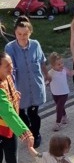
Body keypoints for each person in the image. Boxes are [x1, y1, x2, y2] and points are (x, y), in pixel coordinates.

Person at [5, 16, 49, 148]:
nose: (22, 37)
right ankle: (28, 131)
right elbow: (9, 70)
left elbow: (41, 61)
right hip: (19, 87)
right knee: (20, 113)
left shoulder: (35, 44)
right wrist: (9, 89)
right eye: (19, 34)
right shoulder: (10, 48)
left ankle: (36, 134)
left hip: (35, 86)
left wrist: (47, 74)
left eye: (25, 34)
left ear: (30, 32)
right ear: (15, 33)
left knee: (33, 113)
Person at [0, 51, 34, 163]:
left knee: (12, 161)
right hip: (4, 127)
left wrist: (14, 96)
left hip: (9, 129)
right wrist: (25, 133)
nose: (11, 68)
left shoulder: (7, 77)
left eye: (11, 64)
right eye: (7, 66)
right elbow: (7, 112)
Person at [47, 52, 74, 131]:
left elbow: (71, 74)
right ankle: (65, 117)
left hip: (64, 92)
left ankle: (58, 123)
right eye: (58, 64)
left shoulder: (64, 70)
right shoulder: (50, 73)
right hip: (55, 93)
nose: (61, 65)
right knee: (60, 106)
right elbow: (47, 81)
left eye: (62, 63)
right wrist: (46, 83)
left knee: (58, 107)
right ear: (52, 66)